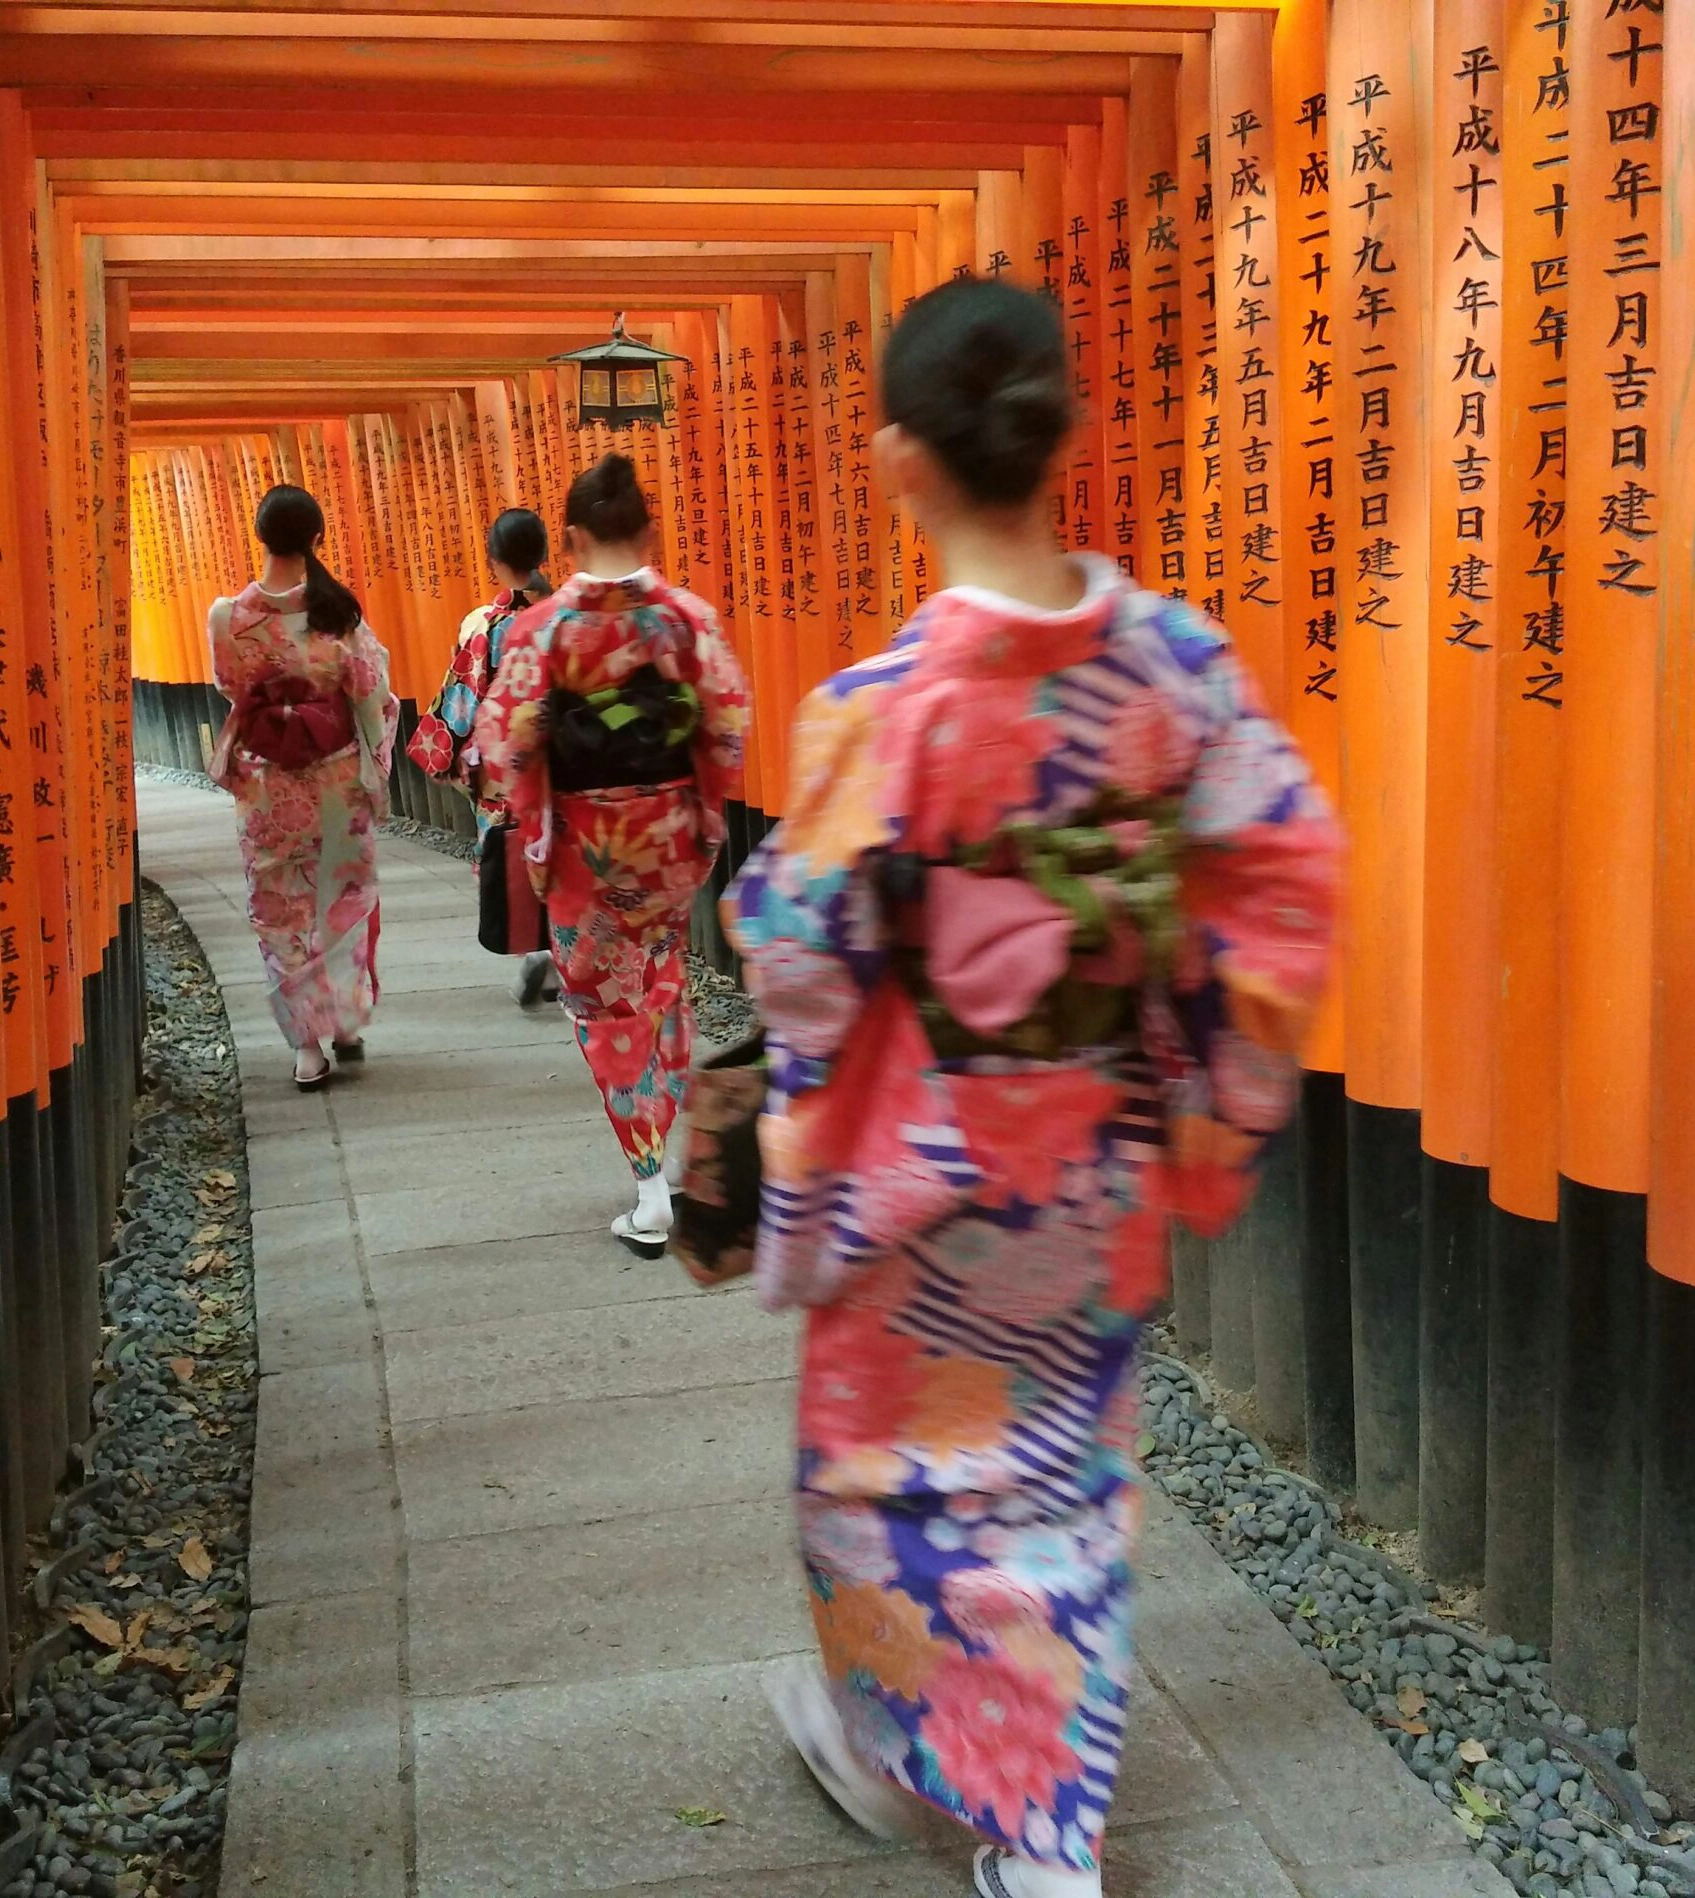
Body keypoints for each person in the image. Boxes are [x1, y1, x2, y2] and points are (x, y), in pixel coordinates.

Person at [724, 278, 1340, 1898]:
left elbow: (797, 944)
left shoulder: (882, 712)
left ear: (895, 463)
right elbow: (1286, 870)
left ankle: (939, 1770)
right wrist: (1206, 1096)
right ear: (1060, 434)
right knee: (1063, 1468)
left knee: (880, 1478)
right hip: (1096, 1156)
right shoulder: (1176, 661)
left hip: (919, 1176)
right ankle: (1030, 1813)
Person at [480, 455, 751, 1255]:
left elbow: (509, 746)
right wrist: (700, 812)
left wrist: (536, 830)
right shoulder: (686, 619)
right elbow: (727, 727)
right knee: (661, 981)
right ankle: (665, 1159)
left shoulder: (542, 631)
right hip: (666, 836)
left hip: (581, 845)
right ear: (649, 530)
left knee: (604, 1007)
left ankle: (648, 1181)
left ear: (568, 539)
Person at [208, 483, 397, 1090]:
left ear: (259, 537)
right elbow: (371, 694)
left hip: (267, 786)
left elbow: (229, 687)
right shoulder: (337, 613)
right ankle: (343, 1023)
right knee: (339, 904)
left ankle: (307, 1047)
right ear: (318, 539)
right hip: (336, 778)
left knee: (278, 911)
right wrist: (377, 769)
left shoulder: (228, 618)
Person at [408, 506, 560, 1007]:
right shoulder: (567, 616)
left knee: (510, 848)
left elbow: (464, 698)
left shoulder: (483, 624)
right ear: (543, 553)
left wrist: (446, 752)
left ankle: (527, 948)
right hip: (560, 754)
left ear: (493, 559)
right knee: (563, 848)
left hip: (500, 766)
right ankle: (564, 946)